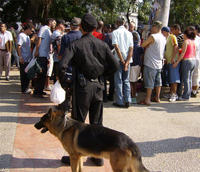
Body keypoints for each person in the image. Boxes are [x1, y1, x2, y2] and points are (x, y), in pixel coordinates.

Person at [58, 13, 119, 166]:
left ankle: (76, 155)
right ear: (94, 27)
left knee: (77, 123)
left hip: (82, 87)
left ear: (81, 27)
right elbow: (115, 65)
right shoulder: (102, 44)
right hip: (98, 87)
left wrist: (66, 83)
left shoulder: (76, 45)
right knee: (97, 122)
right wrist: (103, 76)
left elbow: (62, 66)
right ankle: (97, 156)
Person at [139, 21, 166, 106]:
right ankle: (157, 97)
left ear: (156, 27)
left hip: (151, 62)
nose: (151, 28)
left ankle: (147, 99)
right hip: (159, 63)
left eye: (153, 27)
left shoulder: (153, 36)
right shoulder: (163, 37)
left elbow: (143, 45)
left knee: (149, 82)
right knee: (158, 82)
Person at [58, 17, 82, 113]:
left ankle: (66, 106)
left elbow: (61, 55)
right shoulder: (82, 36)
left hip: (68, 67)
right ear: (79, 26)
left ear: (71, 26)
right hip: (80, 67)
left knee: (66, 88)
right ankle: (75, 107)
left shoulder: (65, 37)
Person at [112, 17, 133, 108]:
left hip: (118, 60)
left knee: (118, 80)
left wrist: (122, 60)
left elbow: (116, 47)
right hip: (128, 60)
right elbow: (131, 48)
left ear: (117, 23)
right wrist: (127, 62)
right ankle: (127, 99)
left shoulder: (115, 32)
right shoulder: (129, 33)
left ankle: (120, 101)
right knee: (126, 80)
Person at [33, 18, 56, 97]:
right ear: (50, 22)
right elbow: (39, 39)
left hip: (46, 54)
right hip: (41, 54)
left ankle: (40, 90)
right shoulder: (44, 28)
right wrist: (37, 50)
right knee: (41, 73)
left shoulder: (49, 30)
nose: (54, 24)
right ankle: (37, 91)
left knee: (43, 74)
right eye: (54, 22)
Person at [173, 27, 196, 101]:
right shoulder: (193, 41)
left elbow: (183, 53)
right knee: (189, 79)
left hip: (187, 61)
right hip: (193, 60)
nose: (183, 35)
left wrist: (177, 62)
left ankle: (185, 96)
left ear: (186, 35)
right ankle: (187, 94)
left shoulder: (186, 42)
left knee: (186, 79)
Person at [161, 26, 180, 102]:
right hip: (168, 61)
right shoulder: (165, 39)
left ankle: (174, 94)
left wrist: (172, 58)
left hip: (173, 61)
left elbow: (175, 47)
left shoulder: (172, 37)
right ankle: (171, 92)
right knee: (171, 79)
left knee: (174, 79)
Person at [17, 23, 34, 94]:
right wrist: (20, 57)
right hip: (23, 58)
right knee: (23, 74)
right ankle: (24, 89)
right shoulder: (21, 36)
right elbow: (19, 46)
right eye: (31, 30)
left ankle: (26, 88)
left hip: (28, 58)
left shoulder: (27, 36)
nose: (32, 32)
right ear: (28, 29)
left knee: (27, 74)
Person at [129, 32, 144, 104]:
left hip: (132, 65)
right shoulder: (139, 47)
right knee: (134, 82)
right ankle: (133, 96)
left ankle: (133, 96)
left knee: (131, 82)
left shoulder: (131, 46)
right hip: (137, 65)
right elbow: (142, 57)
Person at [191, 25, 200, 97]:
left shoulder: (197, 39)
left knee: (195, 76)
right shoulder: (191, 38)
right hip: (193, 59)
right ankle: (192, 90)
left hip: (196, 59)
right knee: (191, 76)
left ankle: (194, 91)